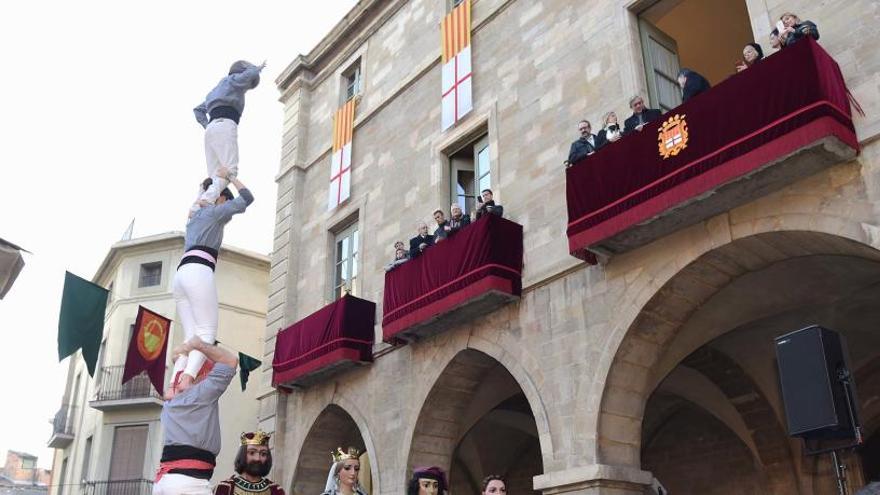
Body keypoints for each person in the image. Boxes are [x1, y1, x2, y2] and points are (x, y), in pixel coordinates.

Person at [170, 167, 254, 397]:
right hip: (199, 270)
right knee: (206, 332)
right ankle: (187, 379)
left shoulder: (195, 214)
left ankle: (172, 386)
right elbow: (247, 199)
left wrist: (208, 185)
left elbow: (200, 194)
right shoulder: (215, 213)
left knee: (190, 336)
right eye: (225, 201)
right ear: (220, 198)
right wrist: (230, 176)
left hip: (181, 275)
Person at [153, 338, 239, 495]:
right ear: (202, 375)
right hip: (188, 484)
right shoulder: (201, 394)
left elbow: (177, 356)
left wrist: (187, 352)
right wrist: (198, 344)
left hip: (167, 481)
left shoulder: (171, 401)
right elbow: (230, 361)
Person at [192, 60, 265, 214]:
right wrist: (256, 68)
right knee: (230, 170)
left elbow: (198, 110)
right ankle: (205, 200)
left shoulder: (215, 90)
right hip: (225, 124)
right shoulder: (233, 81)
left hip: (211, 129)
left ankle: (197, 206)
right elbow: (251, 73)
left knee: (215, 175)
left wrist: (208, 126)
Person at [213, 431, 284, 495]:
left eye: (263, 454)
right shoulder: (224, 488)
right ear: (242, 455)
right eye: (252, 453)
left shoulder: (276, 490)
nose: (257, 458)